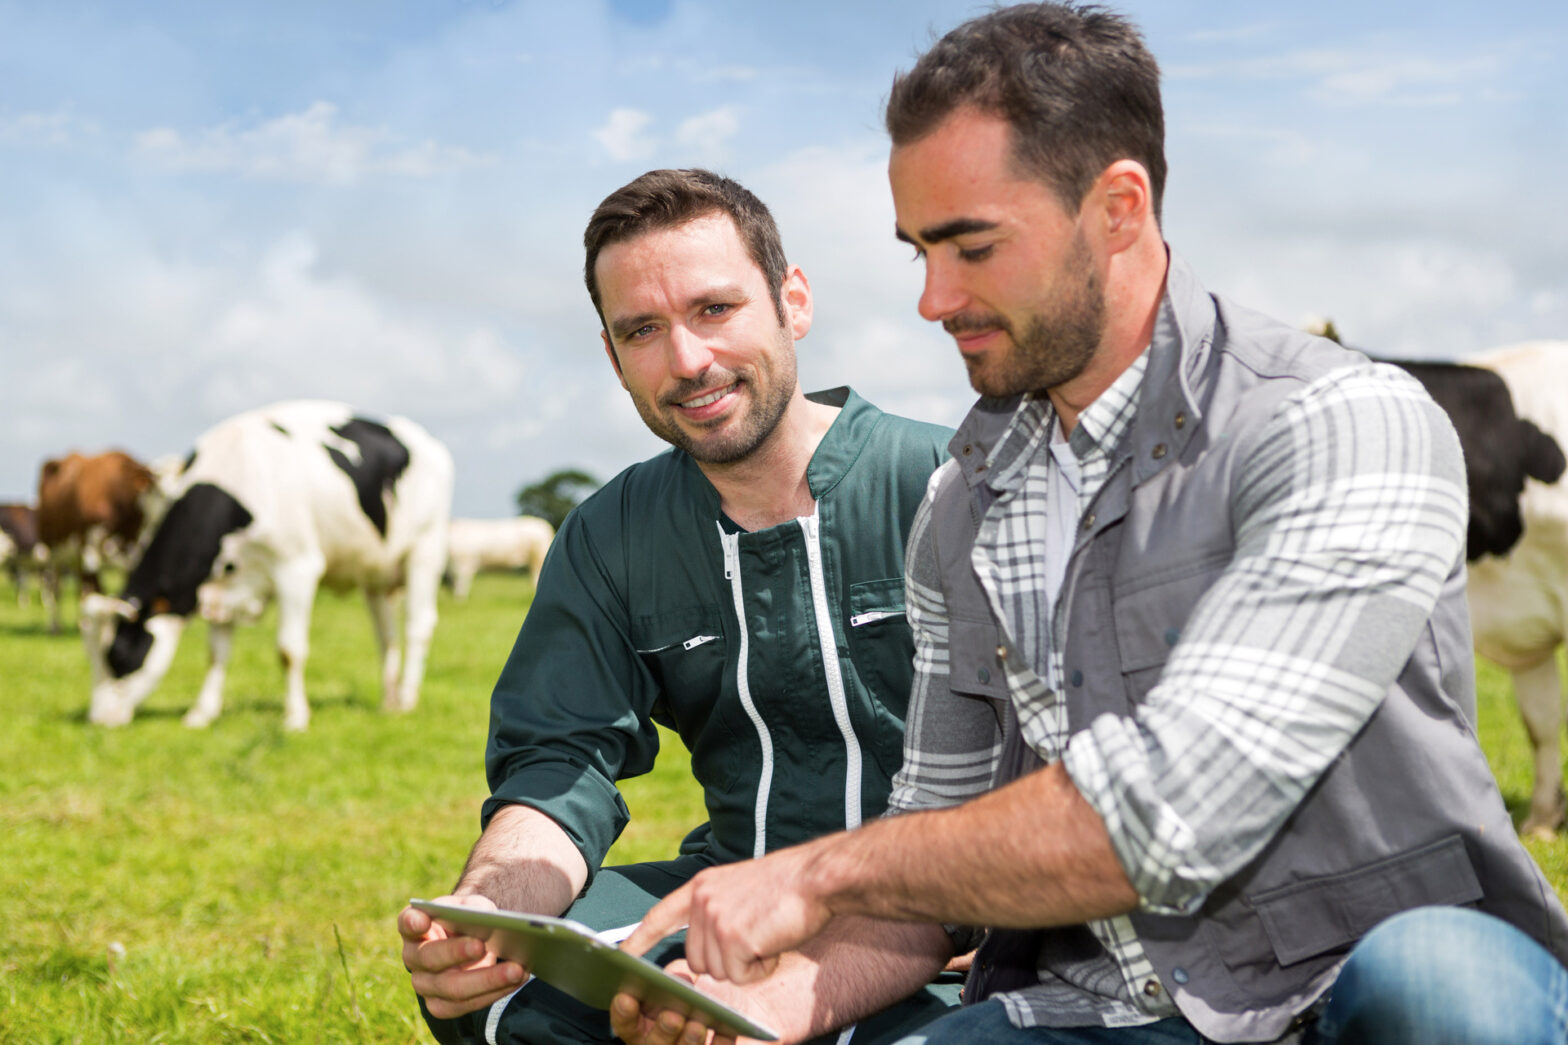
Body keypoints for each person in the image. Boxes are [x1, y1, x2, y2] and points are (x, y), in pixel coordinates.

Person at [615, 6, 1568, 1044]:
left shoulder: (1337, 421)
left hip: (1355, 986)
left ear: (1117, 207)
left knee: (1434, 986)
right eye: (916, 252)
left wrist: (817, 868)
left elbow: (1171, 813)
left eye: (971, 246)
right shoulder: (961, 501)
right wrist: (765, 1006)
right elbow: (930, 867)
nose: (931, 298)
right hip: (1101, 1007)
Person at [397, 168, 962, 1045]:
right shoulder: (610, 532)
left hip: (953, 917)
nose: (688, 360)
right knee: (497, 1001)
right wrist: (487, 906)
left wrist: (986, 906)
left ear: (793, 300)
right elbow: (560, 760)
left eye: (714, 310)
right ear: (613, 353)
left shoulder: (954, 485)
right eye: (643, 330)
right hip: (727, 892)